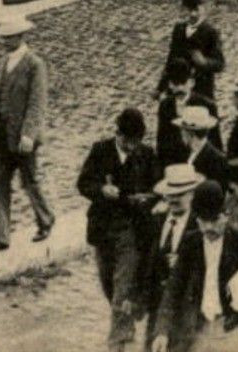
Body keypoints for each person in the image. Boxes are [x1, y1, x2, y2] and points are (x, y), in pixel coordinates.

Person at [151, 180, 238, 352]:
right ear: (197, 219)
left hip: (235, 329)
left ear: (226, 215)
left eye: (215, 220)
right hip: (198, 329)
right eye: (204, 221)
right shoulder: (190, 242)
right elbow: (174, 288)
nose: (209, 227)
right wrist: (162, 331)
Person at [76, 108, 159, 351]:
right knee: (108, 285)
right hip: (103, 231)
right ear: (119, 136)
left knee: (123, 288)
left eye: (138, 141)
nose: (134, 147)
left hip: (131, 232)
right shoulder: (100, 150)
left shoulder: (147, 154)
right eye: (130, 141)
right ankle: (125, 325)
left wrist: (148, 198)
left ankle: (116, 346)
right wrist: (101, 190)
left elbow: (157, 187)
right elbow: (83, 183)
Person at [0, 19, 55, 254]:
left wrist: (29, 134)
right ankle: (0, 238)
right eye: (3, 38)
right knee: (0, 186)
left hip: (23, 139)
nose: (4, 42)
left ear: (20, 37)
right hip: (4, 136)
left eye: (8, 37)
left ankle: (45, 219)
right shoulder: (3, 62)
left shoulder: (35, 65)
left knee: (29, 181)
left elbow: (37, 102)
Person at [142, 164, 202, 350]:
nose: (174, 200)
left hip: (188, 307)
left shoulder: (200, 225)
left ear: (192, 194)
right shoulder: (157, 220)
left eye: (180, 194)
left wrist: (185, 263)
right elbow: (147, 261)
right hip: (157, 306)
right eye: (170, 195)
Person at [157, 0, 226, 102]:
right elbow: (171, 59)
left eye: (195, 10)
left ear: (200, 9)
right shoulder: (179, 29)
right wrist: (160, 88)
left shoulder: (211, 32)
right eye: (187, 10)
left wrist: (204, 62)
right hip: (177, 88)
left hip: (201, 90)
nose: (191, 14)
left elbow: (220, 63)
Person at [154, 58, 219, 167]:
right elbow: (161, 141)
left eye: (183, 82)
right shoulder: (165, 105)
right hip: (174, 165)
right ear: (169, 84)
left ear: (191, 82)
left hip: (200, 164)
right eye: (175, 82)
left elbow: (215, 141)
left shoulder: (207, 105)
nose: (179, 87)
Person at [176, 104, 230, 184]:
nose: (181, 134)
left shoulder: (217, 159)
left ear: (190, 133)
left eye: (182, 130)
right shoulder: (187, 152)